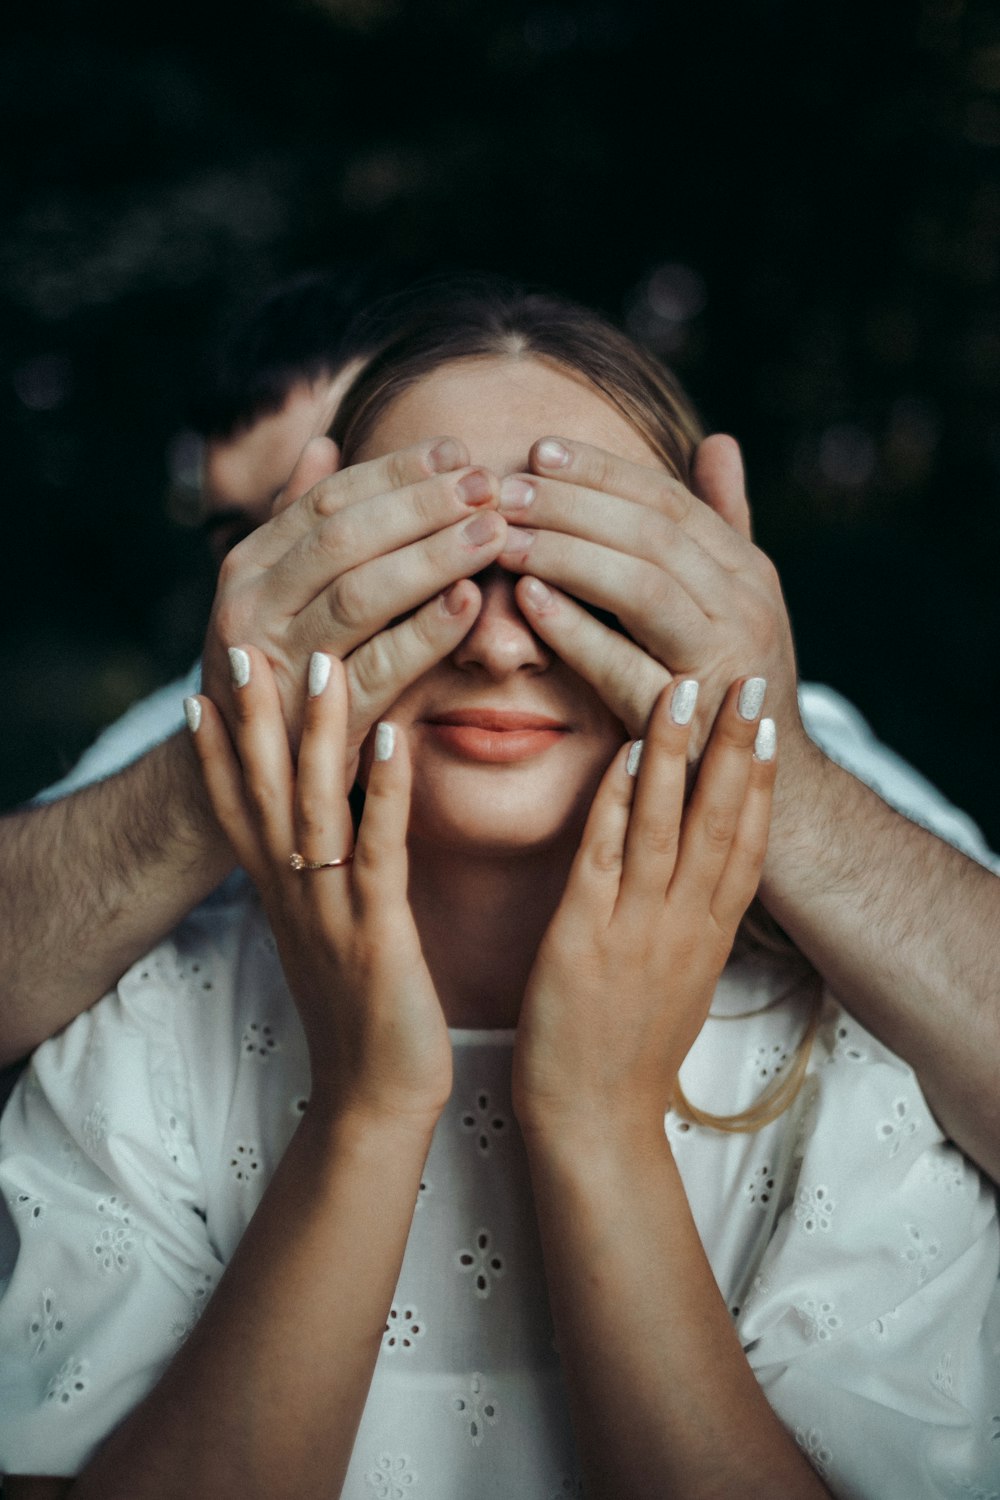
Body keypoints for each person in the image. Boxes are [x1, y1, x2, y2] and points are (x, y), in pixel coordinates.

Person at [0, 286, 996, 1498]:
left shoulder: (861, 1048)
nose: (498, 642)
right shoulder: (142, 1018)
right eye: (419, 564)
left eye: (579, 565)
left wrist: (597, 1114)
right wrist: (367, 1103)